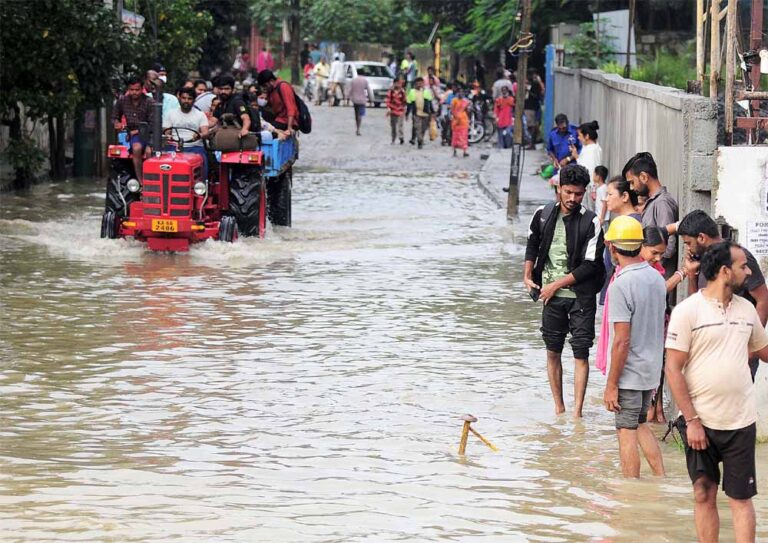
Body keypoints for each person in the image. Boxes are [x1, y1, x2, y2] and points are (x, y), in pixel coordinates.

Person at [666, 240, 768, 543]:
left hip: (740, 421)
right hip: (701, 422)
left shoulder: (747, 309)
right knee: (703, 493)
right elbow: (673, 369)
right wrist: (693, 420)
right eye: (743, 267)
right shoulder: (688, 312)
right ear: (725, 271)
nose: (748, 272)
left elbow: (763, 350)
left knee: (741, 497)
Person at [524, 164, 605, 418]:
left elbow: (591, 265)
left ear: (585, 192)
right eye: (568, 192)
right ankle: (559, 408)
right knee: (552, 351)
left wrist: (554, 285)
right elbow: (532, 243)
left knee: (581, 353)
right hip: (551, 299)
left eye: (578, 194)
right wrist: (527, 275)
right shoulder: (542, 214)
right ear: (558, 188)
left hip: (580, 298)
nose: (572, 198)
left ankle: (577, 413)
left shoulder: (591, 222)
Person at [602, 216, 666, 478]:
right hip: (650, 369)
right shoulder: (656, 278)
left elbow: (621, 341)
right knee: (639, 424)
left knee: (626, 430)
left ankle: (631, 491)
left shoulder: (620, 285)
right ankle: (661, 478)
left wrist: (611, 384)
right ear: (640, 246)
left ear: (612, 248)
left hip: (629, 373)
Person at [675, 210, 768, 380]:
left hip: (737, 350)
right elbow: (697, 302)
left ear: (702, 238)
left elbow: (763, 299)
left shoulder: (739, 258)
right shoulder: (705, 259)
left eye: (688, 243)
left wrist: (753, 346)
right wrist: (691, 274)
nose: (687, 248)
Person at [623, 152, 679, 279]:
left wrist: (651, 256)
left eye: (632, 182)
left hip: (660, 281)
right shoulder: (654, 202)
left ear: (643, 177)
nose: (631, 188)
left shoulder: (662, 203)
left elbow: (668, 248)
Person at [112, 75, 154, 178]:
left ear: (142, 89)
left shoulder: (149, 101)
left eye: (137, 90)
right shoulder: (122, 101)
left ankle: (151, 179)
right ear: (128, 89)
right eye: (131, 89)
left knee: (150, 151)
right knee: (136, 148)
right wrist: (117, 123)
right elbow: (114, 117)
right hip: (134, 136)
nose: (134, 92)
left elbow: (152, 124)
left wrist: (135, 132)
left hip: (149, 134)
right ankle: (140, 182)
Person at [163, 88, 210, 179]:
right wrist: (168, 136)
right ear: (179, 98)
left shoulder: (200, 115)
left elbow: (205, 132)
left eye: (189, 99)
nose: (186, 101)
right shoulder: (171, 113)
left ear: (193, 100)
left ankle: (201, 185)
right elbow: (166, 132)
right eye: (184, 98)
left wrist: (199, 135)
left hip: (194, 146)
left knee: (202, 161)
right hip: (175, 146)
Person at [570, 121, 602, 212]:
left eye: (580, 135)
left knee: (589, 211)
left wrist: (592, 188)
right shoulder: (590, 148)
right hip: (588, 186)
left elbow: (590, 170)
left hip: (590, 187)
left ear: (587, 136)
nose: (578, 138)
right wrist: (576, 156)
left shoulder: (592, 150)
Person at [405, 77, 433, 149]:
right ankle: (420, 141)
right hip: (416, 113)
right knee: (418, 127)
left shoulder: (427, 92)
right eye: (418, 83)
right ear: (415, 84)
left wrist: (432, 112)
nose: (419, 84)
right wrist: (407, 113)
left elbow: (430, 103)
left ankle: (421, 138)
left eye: (421, 83)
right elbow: (409, 104)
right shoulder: (412, 92)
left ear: (423, 83)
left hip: (426, 113)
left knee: (423, 128)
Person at [524, 70, 545, 149]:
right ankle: (532, 142)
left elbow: (537, 96)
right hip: (528, 107)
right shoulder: (529, 85)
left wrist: (528, 90)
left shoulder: (535, 85)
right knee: (530, 126)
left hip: (532, 107)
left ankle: (532, 143)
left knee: (532, 126)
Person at [450, 86, 471, 157]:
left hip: (463, 120)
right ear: (457, 93)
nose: (461, 93)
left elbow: (467, 111)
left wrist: (469, 108)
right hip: (456, 120)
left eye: (462, 92)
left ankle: (464, 151)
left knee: (464, 136)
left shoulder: (466, 101)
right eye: (459, 92)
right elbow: (452, 110)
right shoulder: (454, 100)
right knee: (455, 136)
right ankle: (454, 151)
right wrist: (455, 116)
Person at [385, 78, 406, 145]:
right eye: (397, 83)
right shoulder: (391, 91)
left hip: (400, 110)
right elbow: (388, 100)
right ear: (394, 83)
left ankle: (401, 137)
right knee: (393, 126)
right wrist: (388, 108)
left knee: (400, 125)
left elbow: (405, 101)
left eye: (399, 83)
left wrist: (405, 108)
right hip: (393, 111)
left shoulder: (402, 92)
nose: (398, 85)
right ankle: (393, 138)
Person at [593, 166, 609, 231]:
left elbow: (605, 203)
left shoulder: (603, 188)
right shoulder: (600, 188)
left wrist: (602, 218)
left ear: (598, 176)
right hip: (599, 217)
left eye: (594, 174)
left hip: (602, 219)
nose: (593, 176)